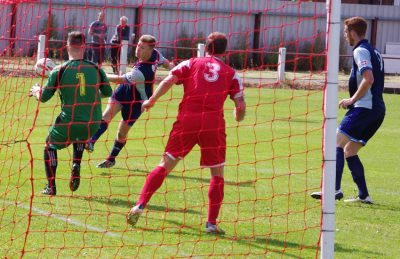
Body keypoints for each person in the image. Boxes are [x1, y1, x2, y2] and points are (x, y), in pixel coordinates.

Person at [126, 32, 246, 234]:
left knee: (166, 163)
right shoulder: (231, 73)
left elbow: (168, 81)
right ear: (226, 51)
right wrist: (238, 116)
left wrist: (152, 100)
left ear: (205, 47)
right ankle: (211, 223)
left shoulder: (191, 63)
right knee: (217, 173)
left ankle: (140, 205)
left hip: (187, 119)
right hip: (213, 124)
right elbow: (240, 106)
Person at [311, 16, 385, 204]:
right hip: (377, 110)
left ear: (353, 32)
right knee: (349, 151)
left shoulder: (360, 51)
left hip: (365, 108)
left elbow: (369, 79)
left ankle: (333, 190)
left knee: (335, 142)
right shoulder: (374, 51)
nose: (345, 36)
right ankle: (364, 195)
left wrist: (352, 99)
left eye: (346, 32)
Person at [29, 31, 113, 195]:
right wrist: (92, 94)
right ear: (85, 46)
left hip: (70, 120)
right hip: (93, 123)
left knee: (49, 145)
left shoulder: (59, 71)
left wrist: (36, 91)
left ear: (67, 46)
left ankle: (51, 187)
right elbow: (108, 92)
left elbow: (44, 98)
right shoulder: (96, 69)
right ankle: (76, 164)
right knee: (80, 135)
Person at [85, 34, 174, 168]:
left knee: (122, 133)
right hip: (124, 90)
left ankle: (111, 159)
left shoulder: (141, 72)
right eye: (138, 45)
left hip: (137, 101)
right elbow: (166, 63)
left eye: (142, 48)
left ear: (150, 50)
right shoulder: (156, 54)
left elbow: (118, 79)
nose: (138, 49)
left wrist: (98, 73)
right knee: (107, 114)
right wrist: (174, 68)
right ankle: (91, 141)